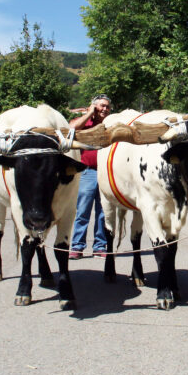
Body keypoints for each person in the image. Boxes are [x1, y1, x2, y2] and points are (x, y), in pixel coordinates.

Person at [68, 94, 112, 259]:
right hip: (88, 172)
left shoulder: (110, 123)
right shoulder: (85, 122)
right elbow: (72, 128)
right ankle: (77, 246)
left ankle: (99, 247)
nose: (105, 109)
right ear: (94, 106)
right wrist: (89, 113)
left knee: (103, 212)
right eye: (101, 106)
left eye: (107, 106)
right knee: (83, 211)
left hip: (106, 173)